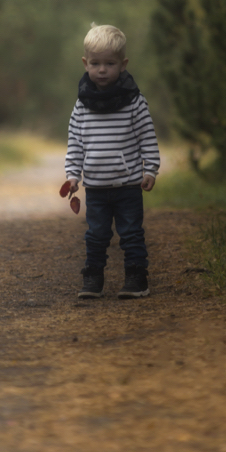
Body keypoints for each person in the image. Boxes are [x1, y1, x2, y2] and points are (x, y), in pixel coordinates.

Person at [65, 24, 160, 300]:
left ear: (123, 64)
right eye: (95, 63)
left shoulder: (133, 102)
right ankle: (93, 278)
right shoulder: (82, 105)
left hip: (128, 185)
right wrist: (72, 175)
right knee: (96, 235)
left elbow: (147, 137)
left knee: (131, 233)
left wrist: (151, 168)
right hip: (95, 188)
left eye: (110, 63)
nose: (102, 70)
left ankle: (136, 278)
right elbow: (75, 143)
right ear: (85, 63)